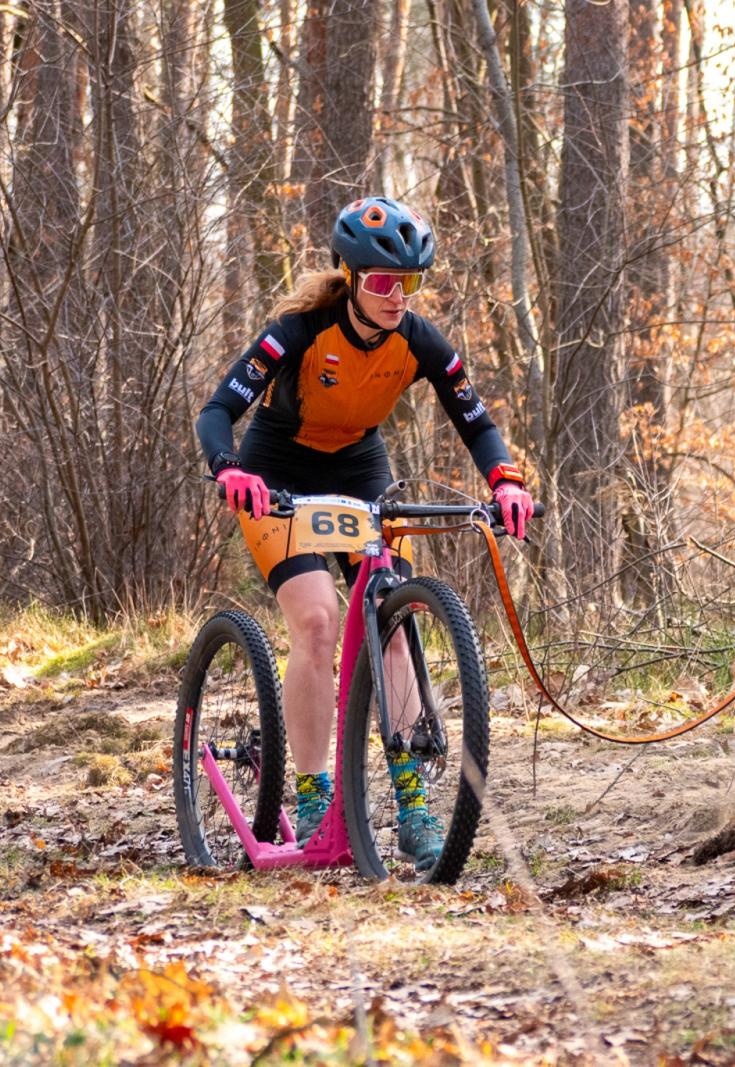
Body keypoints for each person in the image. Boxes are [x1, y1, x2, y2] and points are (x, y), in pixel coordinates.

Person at [195, 196, 535, 870]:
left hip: (359, 468)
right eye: (382, 281)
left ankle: (412, 804)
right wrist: (229, 468)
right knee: (320, 622)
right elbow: (218, 410)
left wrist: (506, 479)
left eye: (408, 282)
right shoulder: (297, 330)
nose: (396, 296)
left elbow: (475, 418)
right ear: (349, 276)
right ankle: (317, 795)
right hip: (275, 468)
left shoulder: (420, 339)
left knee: (398, 621)